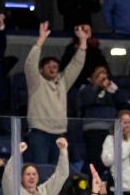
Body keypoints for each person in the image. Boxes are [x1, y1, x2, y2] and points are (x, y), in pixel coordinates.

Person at [25, 22, 88, 164]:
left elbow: (76, 65)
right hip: (39, 133)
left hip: (59, 133)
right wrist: (40, 41)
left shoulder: (62, 83)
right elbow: (30, 64)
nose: (53, 69)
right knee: (41, 169)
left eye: (55, 67)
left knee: (56, 172)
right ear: (41, 69)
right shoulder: (36, 82)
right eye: (49, 67)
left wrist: (83, 42)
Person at [78, 65, 128, 176]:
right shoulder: (86, 88)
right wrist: (96, 86)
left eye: (104, 74)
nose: (102, 77)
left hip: (110, 130)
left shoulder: (111, 88)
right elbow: (87, 101)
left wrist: (111, 89)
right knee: (95, 159)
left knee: (108, 158)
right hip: (92, 129)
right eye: (98, 75)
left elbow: (122, 102)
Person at [61, 24, 110, 92]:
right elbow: (66, 70)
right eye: (85, 30)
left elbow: (103, 67)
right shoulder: (70, 50)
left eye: (88, 30)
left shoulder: (95, 50)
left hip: (96, 83)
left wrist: (100, 75)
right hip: (77, 86)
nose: (87, 33)